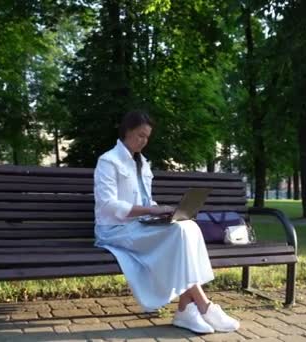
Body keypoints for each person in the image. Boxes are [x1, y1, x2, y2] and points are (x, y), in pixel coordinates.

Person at [93, 110, 240, 334]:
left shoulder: (142, 163)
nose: (144, 141)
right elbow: (107, 205)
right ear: (127, 131)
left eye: (147, 137)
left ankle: (185, 309)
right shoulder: (108, 161)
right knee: (178, 234)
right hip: (115, 230)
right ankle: (203, 306)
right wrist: (151, 209)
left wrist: (161, 212)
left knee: (188, 226)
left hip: (140, 225)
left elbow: (144, 198)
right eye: (140, 135)